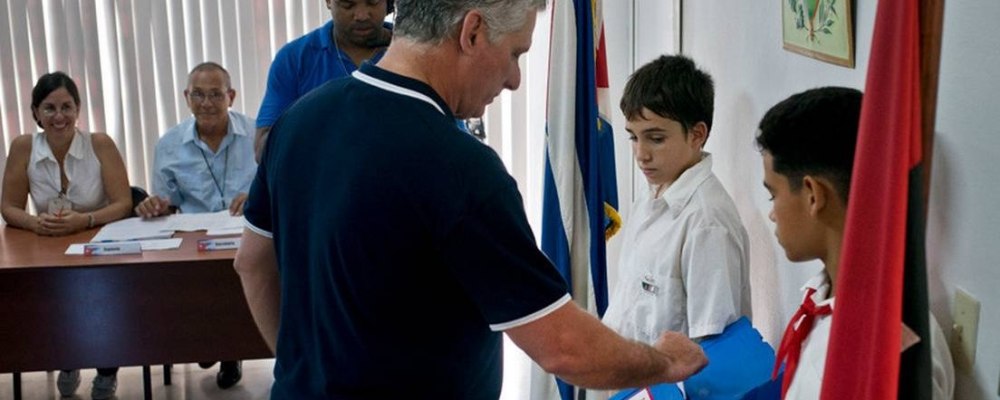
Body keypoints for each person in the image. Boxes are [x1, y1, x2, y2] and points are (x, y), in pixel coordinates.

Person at [234, 0, 708, 398]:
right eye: (515, 53)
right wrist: (665, 361)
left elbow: (252, 263)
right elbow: (565, 348)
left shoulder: (298, 121)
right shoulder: (460, 167)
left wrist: (302, 367)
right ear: (473, 31)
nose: (515, 79)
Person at [755, 86, 954, 399]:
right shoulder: (826, 298)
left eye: (773, 195)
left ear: (813, 195)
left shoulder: (871, 363)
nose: (772, 214)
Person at [602, 55, 752, 346]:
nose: (641, 154)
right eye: (633, 137)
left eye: (656, 138)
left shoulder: (706, 223)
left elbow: (711, 350)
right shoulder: (652, 191)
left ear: (697, 135)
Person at [0, 71, 130, 399]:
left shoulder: (99, 143)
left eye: (66, 107)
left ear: (77, 109)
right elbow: (9, 207)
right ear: (36, 112)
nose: (59, 116)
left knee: (104, 298)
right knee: (53, 299)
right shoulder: (23, 146)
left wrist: (85, 220)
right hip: (50, 242)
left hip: (99, 239)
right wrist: (34, 223)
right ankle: (68, 358)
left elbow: (123, 203)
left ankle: (106, 368)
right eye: (49, 108)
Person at [133, 62, 255, 389]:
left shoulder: (256, 136)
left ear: (231, 96)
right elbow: (167, 203)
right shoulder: (169, 144)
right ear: (186, 97)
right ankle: (211, 342)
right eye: (198, 95)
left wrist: (257, 197)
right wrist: (155, 206)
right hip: (193, 241)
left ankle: (230, 350)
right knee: (193, 289)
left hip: (245, 235)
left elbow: (279, 186)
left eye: (215, 94)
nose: (206, 103)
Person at [254, 0, 394, 160]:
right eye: (348, 5)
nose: (362, 15)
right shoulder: (294, 58)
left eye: (373, 2)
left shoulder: (413, 51)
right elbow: (263, 150)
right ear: (328, 2)